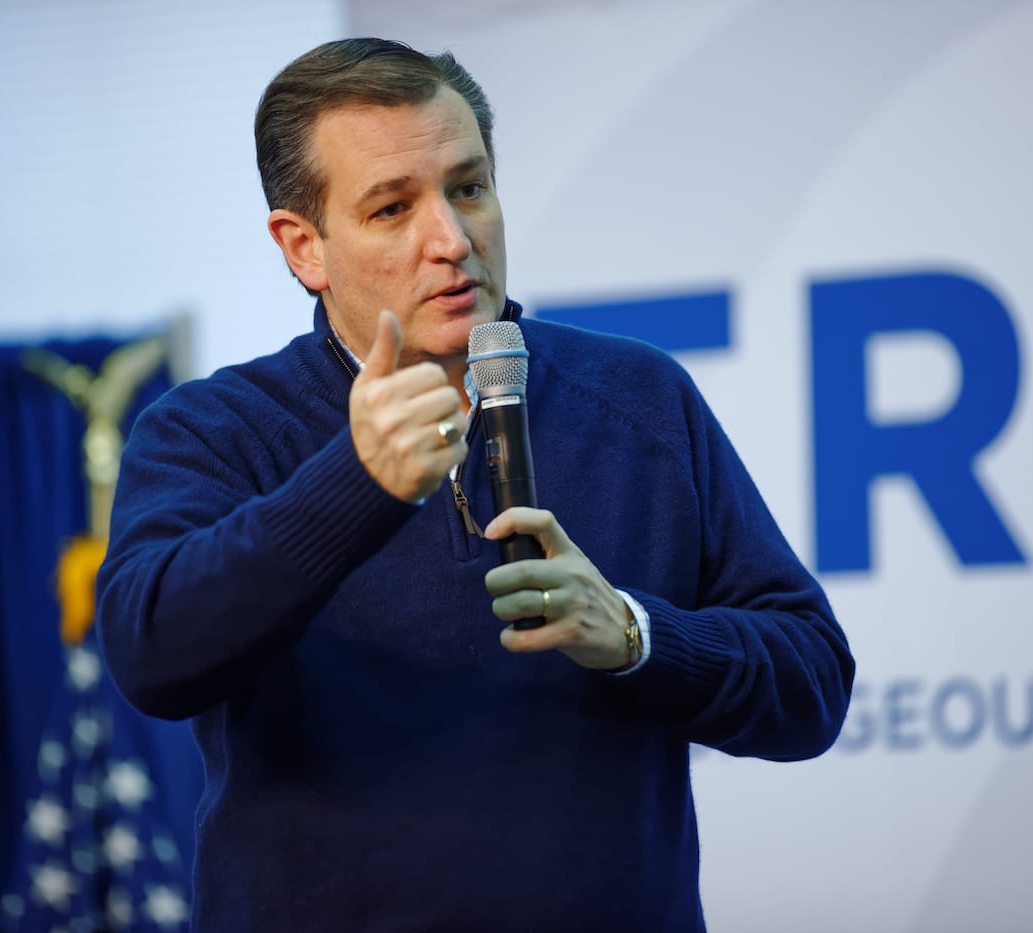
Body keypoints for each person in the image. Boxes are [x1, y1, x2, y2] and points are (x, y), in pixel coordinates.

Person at [97, 37, 854, 932]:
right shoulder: (213, 430)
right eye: (391, 209)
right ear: (304, 246)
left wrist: (636, 632)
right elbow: (151, 653)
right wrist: (356, 485)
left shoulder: (640, 398)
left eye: (468, 187)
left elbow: (812, 681)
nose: (452, 240)